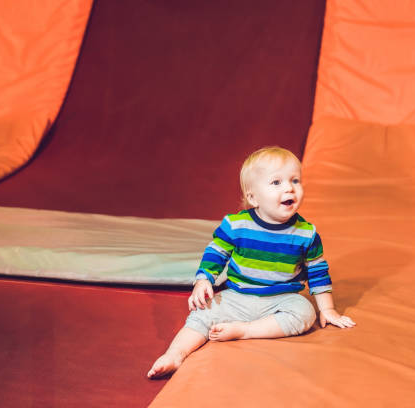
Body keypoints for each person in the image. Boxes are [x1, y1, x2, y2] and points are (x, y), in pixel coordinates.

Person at [147, 146, 355, 378]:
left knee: (306, 312)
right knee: (202, 312)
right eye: (276, 182)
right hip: (238, 296)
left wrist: (328, 309)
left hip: (281, 300)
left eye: (295, 180)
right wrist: (204, 279)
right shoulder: (236, 225)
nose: (289, 188)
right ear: (253, 197)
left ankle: (245, 331)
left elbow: (318, 271)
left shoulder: (306, 234)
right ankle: (175, 354)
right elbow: (216, 253)